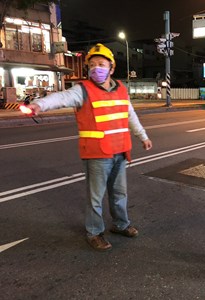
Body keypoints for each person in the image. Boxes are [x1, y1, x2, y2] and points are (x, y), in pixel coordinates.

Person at [27, 43, 153, 251]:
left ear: (111, 68)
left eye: (101, 64)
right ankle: (94, 232)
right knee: (95, 197)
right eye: (92, 65)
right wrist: (39, 104)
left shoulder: (121, 89)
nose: (96, 68)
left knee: (119, 194)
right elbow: (61, 98)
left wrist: (143, 136)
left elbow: (130, 115)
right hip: (97, 154)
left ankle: (121, 225)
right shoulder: (82, 90)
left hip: (120, 151)